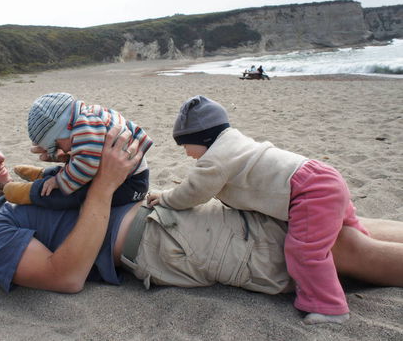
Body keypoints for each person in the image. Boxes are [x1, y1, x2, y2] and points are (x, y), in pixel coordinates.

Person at [0, 125, 403, 325]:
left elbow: (104, 191)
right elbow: (64, 275)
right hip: (168, 241)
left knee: (338, 223)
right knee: (342, 251)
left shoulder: (30, 192)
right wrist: (102, 185)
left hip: (173, 208)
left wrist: (78, 161)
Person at [145, 95, 383, 324]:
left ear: (204, 138)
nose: (186, 152)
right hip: (323, 176)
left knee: (304, 251)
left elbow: (192, 193)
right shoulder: (235, 142)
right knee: (350, 232)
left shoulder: (215, 159)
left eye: (186, 144)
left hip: (310, 193)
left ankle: (330, 308)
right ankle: (371, 251)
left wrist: (165, 198)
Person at [3, 92, 153, 208]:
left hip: (131, 185)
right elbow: (85, 159)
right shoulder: (88, 115)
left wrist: (58, 181)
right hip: (124, 174)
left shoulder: (84, 127)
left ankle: (31, 193)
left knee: (73, 194)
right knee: (71, 170)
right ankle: (41, 175)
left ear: (62, 131)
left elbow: (86, 166)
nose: (60, 149)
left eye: (56, 144)